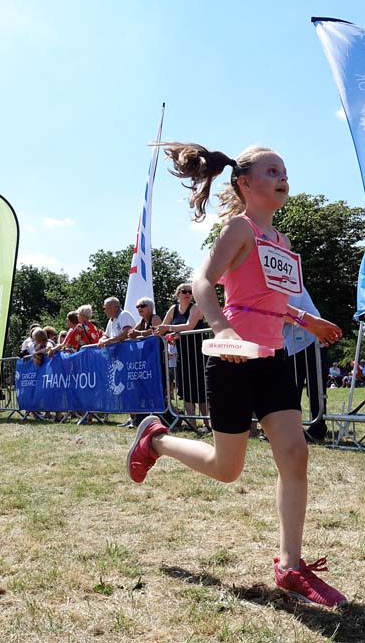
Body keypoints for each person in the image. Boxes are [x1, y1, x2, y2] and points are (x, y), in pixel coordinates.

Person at [125, 142, 346, 606]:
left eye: (284, 169)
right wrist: (222, 329)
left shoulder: (280, 241)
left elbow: (271, 301)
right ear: (245, 183)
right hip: (231, 358)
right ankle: (156, 441)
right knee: (228, 469)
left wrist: (307, 320)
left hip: (273, 357)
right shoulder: (239, 228)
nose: (282, 176)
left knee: (294, 455)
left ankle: (290, 566)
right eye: (271, 170)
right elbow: (204, 281)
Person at [155, 283, 210, 424]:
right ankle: (192, 423)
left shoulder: (196, 308)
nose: (187, 294)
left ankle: (206, 422)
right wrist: (168, 334)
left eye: (190, 292)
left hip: (198, 354)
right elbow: (163, 328)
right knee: (185, 389)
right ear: (177, 294)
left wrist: (169, 328)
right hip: (182, 355)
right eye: (184, 291)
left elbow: (189, 326)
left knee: (200, 388)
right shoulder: (173, 309)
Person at [283, 288, 327, 441]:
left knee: (315, 389)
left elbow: (285, 314)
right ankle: (293, 429)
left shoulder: (293, 287)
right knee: (291, 390)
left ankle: (318, 428)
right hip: (292, 345)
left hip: (310, 342)